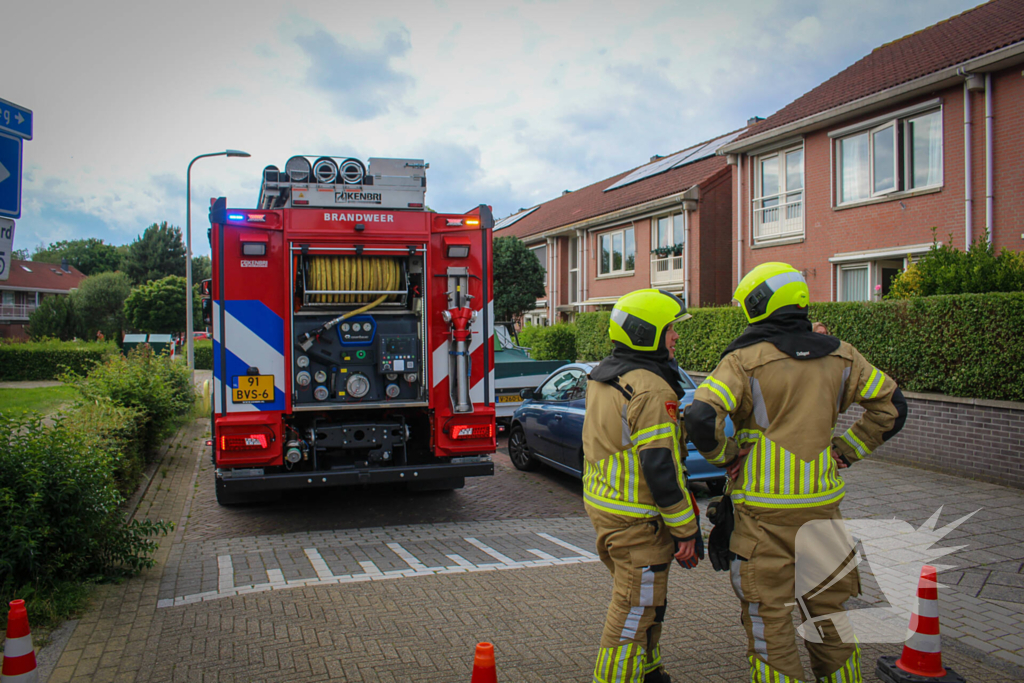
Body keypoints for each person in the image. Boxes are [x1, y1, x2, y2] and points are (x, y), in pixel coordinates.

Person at [684, 262, 908, 683]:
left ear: (757, 305)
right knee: (830, 616)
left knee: (769, 620)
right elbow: (892, 407)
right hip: (823, 512)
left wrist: (726, 456)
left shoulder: (743, 360)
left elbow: (699, 416)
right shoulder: (843, 355)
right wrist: (846, 450)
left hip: (763, 518)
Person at [583, 289, 703, 683]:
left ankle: (649, 672)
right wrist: (686, 530)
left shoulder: (606, 376)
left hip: (609, 511)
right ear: (645, 333)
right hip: (640, 521)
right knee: (634, 609)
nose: (676, 336)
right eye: (669, 329)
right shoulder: (651, 389)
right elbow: (660, 467)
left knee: (649, 601)